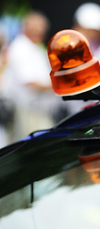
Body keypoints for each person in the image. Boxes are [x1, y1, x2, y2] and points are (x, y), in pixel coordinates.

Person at [1, 11, 56, 141]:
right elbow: (30, 82)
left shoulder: (34, 47)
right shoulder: (21, 48)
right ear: (25, 27)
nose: (39, 32)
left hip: (38, 110)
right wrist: (59, 85)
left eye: (41, 29)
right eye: (35, 28)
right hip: (28, 111)